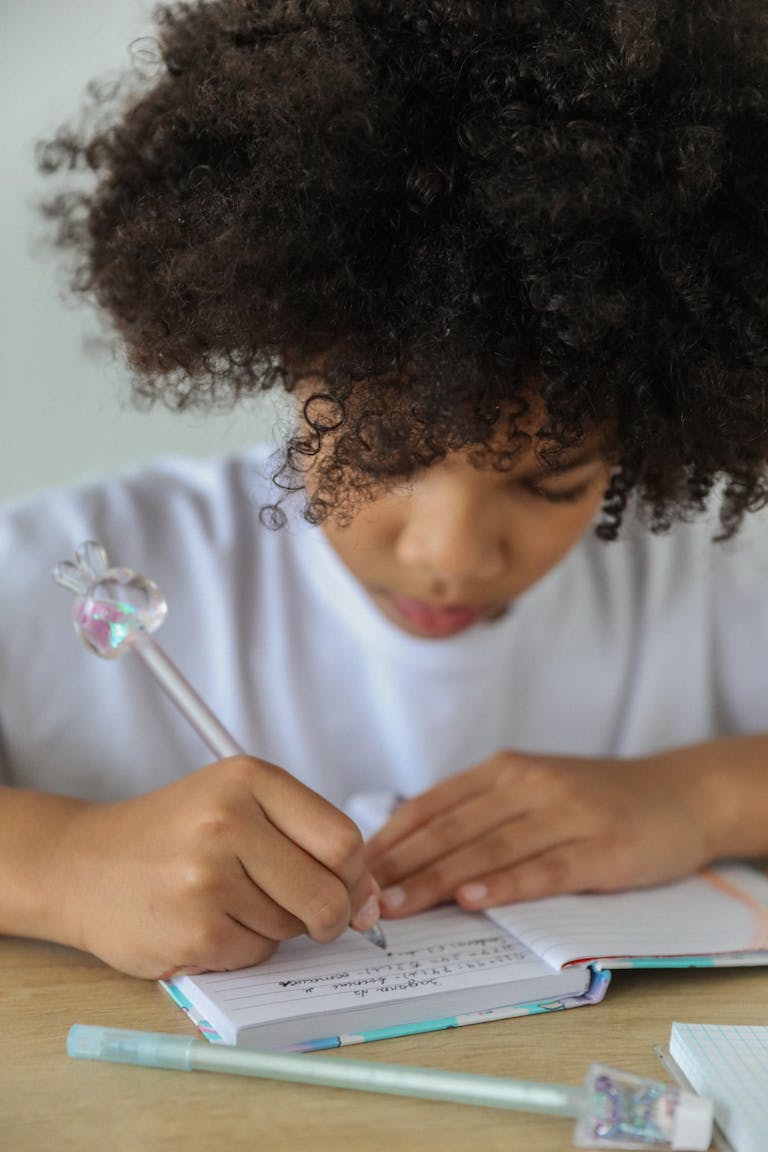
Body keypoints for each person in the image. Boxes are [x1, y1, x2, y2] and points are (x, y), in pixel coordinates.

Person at [2, 0, 768, 981]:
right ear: (289, 354)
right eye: (389, 454)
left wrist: (701, 797)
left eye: (554, 481)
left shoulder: (703, 581)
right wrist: (61, 866)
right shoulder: (83, 560)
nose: (451, 554)